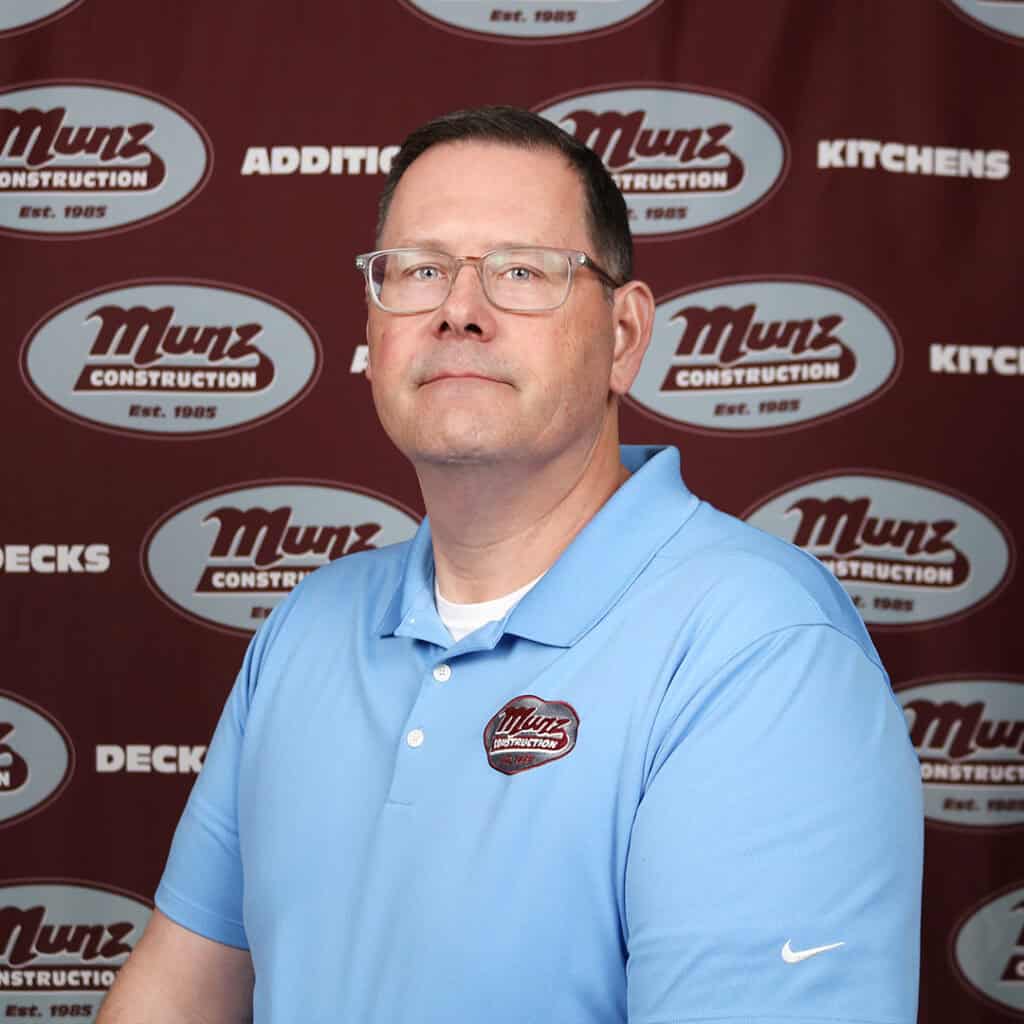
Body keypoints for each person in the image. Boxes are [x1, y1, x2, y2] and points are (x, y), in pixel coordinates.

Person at [98, 106, 922, 1024]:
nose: (459, 309)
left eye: (522, 271)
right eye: (419, 270)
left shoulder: (758, 649)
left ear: (624, 335)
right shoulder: (307, 628)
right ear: (374, 327)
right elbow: (175, 997)